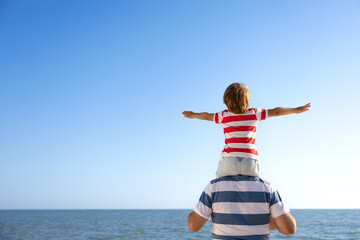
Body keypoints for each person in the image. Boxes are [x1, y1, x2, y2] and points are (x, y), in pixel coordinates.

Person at [183, 83, 311, 178]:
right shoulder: (254, 113)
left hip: (229, 160)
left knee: (218, 185)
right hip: (250, 160)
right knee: (257, 188)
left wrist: (193, 114)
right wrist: (295, 109)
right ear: (247, 100)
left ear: (226, 100)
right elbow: (276, 111)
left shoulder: (223, 116)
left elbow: (205, 115)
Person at [188, 174, 297, 239]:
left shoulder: (213, 187)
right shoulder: (267, 188)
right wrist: (270, 222)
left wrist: (204, 215)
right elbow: (290, 228)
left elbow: (193, 226)